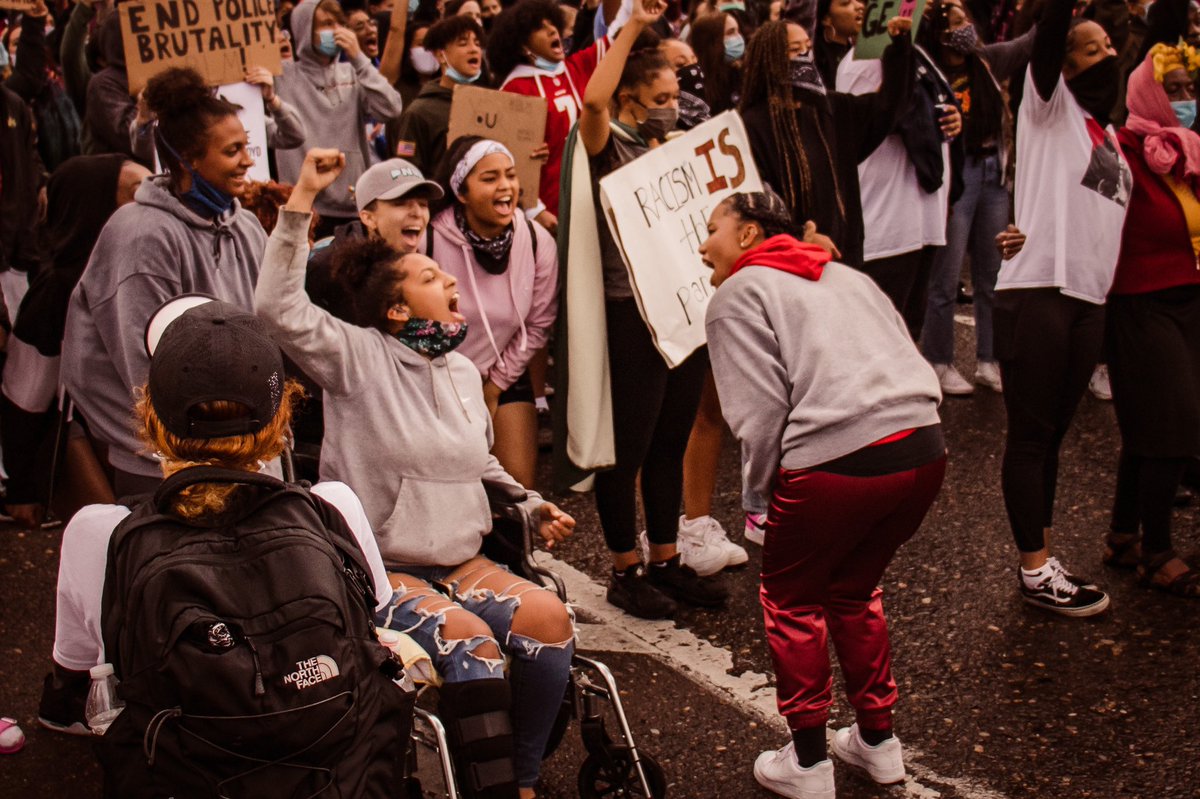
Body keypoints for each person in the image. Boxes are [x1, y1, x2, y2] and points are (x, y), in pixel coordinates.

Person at [256, 148, 577, 799]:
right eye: (434, 277)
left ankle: (523, 778)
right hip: (385, 564)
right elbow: (275, 307)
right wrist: (300, 206)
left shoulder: (461, 372)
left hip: (459, 554)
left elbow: (476, 459)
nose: (453, 282)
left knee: (549, 616)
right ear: (397, 309)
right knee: (474, 641)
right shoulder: (357, 357)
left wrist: (532, 502)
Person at [38, 299, 392, 747]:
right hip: (328, 764)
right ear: (280, 418)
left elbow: (78, 666)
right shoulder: (334, 507)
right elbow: (373, 621)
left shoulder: (99, 533)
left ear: (151, 418)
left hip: (181, 768)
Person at [700, 190, 945, 799]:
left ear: (751, 234)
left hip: (836, 460)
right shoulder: (843, 274)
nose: (703, 245)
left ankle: (809, 763)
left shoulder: (738, 293)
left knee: (791, 601)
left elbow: (759, 415)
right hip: (923, 450)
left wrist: (757, 501)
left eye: (712, 229)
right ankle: (879, 743)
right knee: (855, 590)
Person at [559, 0, 732, 621]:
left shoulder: (672, 143)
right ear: (633, 98)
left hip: (680, 308)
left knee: (669, 438)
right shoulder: (608, 143)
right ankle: (624, 568)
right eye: (661, 93)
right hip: (629, 310)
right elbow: (593, 105)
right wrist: (632, 22)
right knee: (626, 448)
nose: (674, 100)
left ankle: (665, 557)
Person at [61, 67, 265, 496]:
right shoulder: (140, 235)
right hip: (159, 461)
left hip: (235, 446)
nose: (248, 160)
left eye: (246, 146)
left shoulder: (243, 224)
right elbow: (141, 367)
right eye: (232, 151)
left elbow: (265, 327)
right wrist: (185, 452)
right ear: (190, 158)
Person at [993, 0, 1130, 616]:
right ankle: (1033, 569)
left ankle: (1042, 558)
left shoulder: (1110, 136)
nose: (1110, 55)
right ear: (1062, 64)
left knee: (1052, 440)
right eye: (1093, 47)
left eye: (1111, 45)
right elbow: (1050, 31)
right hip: (1039, 291)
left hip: (1086, 299)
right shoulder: (1048, 107)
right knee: (1029, 438)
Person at [1, 155, 149, 529]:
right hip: (96, 454)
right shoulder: (56, 293)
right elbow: (24, 397)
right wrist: (22, 489)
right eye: (137, 191)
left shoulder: (148, 268)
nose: (153, 201)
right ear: (94, 205)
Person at [1103, 43, 1200, 597]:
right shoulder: (1121, 151)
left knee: (1150, 426)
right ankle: (1156, 550)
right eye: (1175, 90)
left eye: (1191, 90)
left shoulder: (1190, 149)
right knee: (1173, 427)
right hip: (1140, 301)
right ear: (1149, 94)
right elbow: (1087, 215)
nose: (1186, 100)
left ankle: (1123, 535)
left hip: (1189, 298)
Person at [917, 0, 1035, 395]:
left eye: (966, 18)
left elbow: (1028, 44)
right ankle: (938, 361)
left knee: (992, 275)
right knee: (945, 278)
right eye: (956, 22)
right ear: (939, 33)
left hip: (992, 175)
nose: (966, 26)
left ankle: (989, 359)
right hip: (958, 179)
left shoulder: (984, 62)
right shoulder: (927, 74)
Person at [427, 136, 558, 488]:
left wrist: (496, 385)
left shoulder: (535, 239)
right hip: (436, 377)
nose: (505, 187)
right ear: (461, 191)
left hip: (501, 370)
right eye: (489, 178)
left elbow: (538, 322)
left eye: (511, 175)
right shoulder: (429, 238)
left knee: (515, 486)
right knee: (451, 484)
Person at [740, 18, 914, 269]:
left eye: (807, 48)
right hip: (792, 260)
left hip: (844, 254)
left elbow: (888, 107)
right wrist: (802, 237)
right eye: (793, 50)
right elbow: (759, 200)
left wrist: (899, 47)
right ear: (770, 59)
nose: (803, 56)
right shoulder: (753, 124)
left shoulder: (833, 109)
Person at [274, 0, 405, 238]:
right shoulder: (283, 76)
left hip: (351, 204)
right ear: (304, 29)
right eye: (326, 24)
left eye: (340, 24)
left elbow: (391, 108)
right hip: (305, 205)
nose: (336, 31)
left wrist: (359, 60)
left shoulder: (353, 73)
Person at [490, 0, 617, 227]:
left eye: (553, 24)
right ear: (521, 45)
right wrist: (534, 210)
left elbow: (618, 35)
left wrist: (637, 17)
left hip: (593, 196)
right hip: (551, 212)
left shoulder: (575, 67)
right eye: (540, 27)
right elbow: (508, 161)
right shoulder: (514, 90)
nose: (552, 30)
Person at [393, 14, 486, 174]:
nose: (474, 49)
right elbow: (406, 169)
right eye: (463, 43)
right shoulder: (420, 112)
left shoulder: (489, 104)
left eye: (477, 44)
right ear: (440, 55)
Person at [688, 10, 743, 112]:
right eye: (731, 32)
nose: (739, 37)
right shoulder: (695, 80)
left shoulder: (739, 72)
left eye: (738, 31)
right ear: (711, 40)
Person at [813, 0, 862, 87]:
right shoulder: (817, 59)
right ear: (826, 19)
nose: (860, 6)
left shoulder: (857, 50)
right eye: (846, 3)